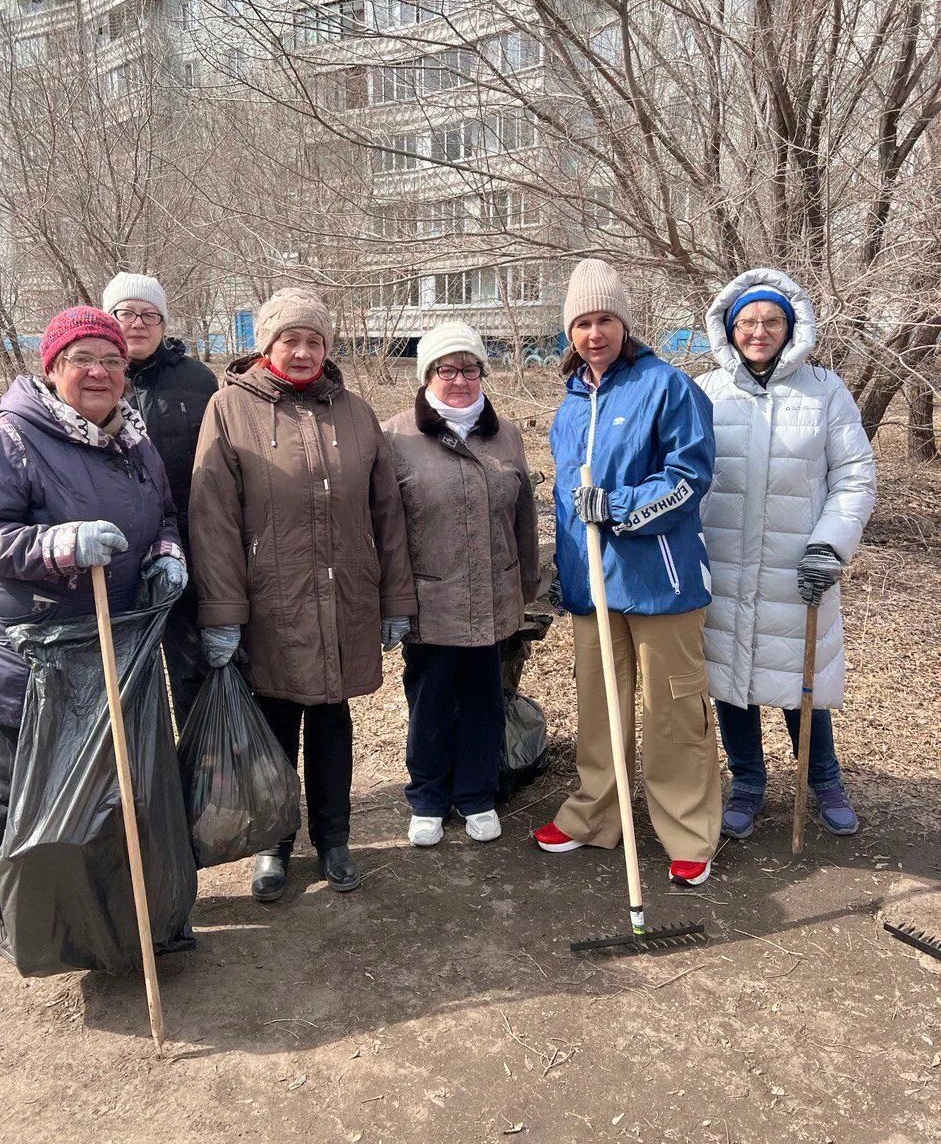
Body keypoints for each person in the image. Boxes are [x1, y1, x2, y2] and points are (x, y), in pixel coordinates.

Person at [189, 288, 416, 901]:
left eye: (314, 340)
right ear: (266, 345)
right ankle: (274, 844)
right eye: (290, 338)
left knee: (333, 719)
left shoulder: (356, 412)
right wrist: (224, 614)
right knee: (276, 722)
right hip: (272, 602)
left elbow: (387, 514)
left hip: (344, 598)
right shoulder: (228, 409)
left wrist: (397, 600)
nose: (302, 350)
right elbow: (212, 520)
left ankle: (334, 840)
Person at [0, 307, 185, 958]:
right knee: (18, 788)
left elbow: (166, 514)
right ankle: (2, 906)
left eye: (112, 360)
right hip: (33, 653)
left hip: (111, 644)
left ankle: (100, 915)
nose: (98, 372)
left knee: (104, 785)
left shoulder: (135, 438)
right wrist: (58, 544)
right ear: (52, 367)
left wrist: (166, 555)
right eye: (81, 358)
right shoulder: (13, 435)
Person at [534, 258, 721, 887]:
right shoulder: (569, 406)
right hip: (594, 587)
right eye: (582, 323)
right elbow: (566, 505)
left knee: (673, 712)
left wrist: (617, 507)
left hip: (661, 584)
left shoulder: (669, 386)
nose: (594, 334)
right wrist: (563, 573)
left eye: (605, 320)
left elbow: (689, 479)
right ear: (569, 331)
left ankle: (688, 831)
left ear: (624, 323)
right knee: (600, 708)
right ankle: (595, 816)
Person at [696, 268, 876, 839]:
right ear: (729, 327)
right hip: (722, 563)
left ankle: (823, 779)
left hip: (798, 567)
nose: (758, 331)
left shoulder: (825, 390)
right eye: (747, 321)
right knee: (731, 679)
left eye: (772, 320)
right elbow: (685, 473)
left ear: (791, 327)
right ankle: (747, 781)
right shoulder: (706, 391)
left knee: (802, 683)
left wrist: (830, 545)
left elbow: (854, 474)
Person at [383, 323, 540, 847]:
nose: (459, 380)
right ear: (427, 375)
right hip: (432, 599)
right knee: (429, 699)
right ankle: (427, 796)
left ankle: (476, 794)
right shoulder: (397, 436)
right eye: (446, 370)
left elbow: (524, 518)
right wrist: (394, 600)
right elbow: (386, 528)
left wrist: (527, 585)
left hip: (493, 594)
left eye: (469, 369)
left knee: (484, 698)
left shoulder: (506, 435)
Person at [103, 272, 218, 723]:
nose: (137, 323)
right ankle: (139, 782)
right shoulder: (91, 376)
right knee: (126, 677)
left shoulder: (197, 380)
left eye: (150, 315)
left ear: (164, 324)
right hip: (114, 553)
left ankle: (197, 776)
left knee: (192, 668)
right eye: (126, 313)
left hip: (185, 547)